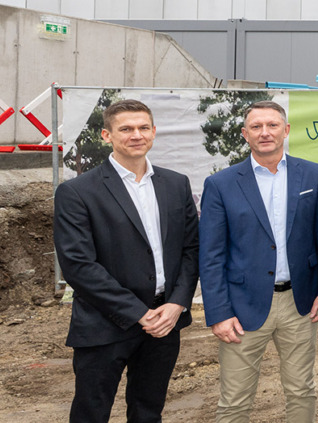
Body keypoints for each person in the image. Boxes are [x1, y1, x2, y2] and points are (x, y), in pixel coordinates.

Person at [53, 99, 199, 422]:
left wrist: (177, 304)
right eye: (126, 129)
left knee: (148, 412)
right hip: (104, 323)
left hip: (164, 322)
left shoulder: (176, 184)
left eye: (143, 127)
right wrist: (139, 314)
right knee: (91, 414)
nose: (136, 135)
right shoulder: (77, 192)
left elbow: (191, 250)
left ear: (154, 132)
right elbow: (78, 265)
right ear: (107, 135)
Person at [198, 101, 318, 422]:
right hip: (241, 307)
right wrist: (219, 313)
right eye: (256, 127)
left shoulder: (314, 174)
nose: (265, 132)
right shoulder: (221, 184)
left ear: (286, 130)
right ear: (245, 134)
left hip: (300, 304)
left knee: (302, 390)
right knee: (234, 401)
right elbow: (211, 255)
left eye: (272, 125)